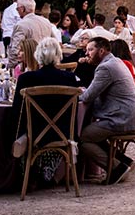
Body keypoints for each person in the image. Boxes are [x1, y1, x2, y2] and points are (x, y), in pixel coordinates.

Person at [8, 38, 81, 186]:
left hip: (34, 132)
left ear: (38, 55)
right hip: (63, 131)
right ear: (58, 55)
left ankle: (24, 175)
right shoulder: (70, 78)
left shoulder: (26, 78)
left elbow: (17, 110)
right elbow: (76, 108)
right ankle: (50, 173)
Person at [78, 38, 135, 184]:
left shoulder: (105, 68)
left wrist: (76, 94)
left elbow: (88, 97)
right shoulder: (116, 61)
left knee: (83, 137)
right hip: (132, 115)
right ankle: (123, 160)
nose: (87, 53)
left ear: (101, 51)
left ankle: (116, 168)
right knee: (94, 132)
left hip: (122, 118)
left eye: (90, 50)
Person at [8, 0, 57, 69]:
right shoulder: (46, 21)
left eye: (17, 9)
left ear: (22, 9)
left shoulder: (21, 25)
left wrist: (11, 68)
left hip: (29, 66)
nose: (17, 11)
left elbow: (15, 50)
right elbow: (54, 42)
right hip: (46, 65)